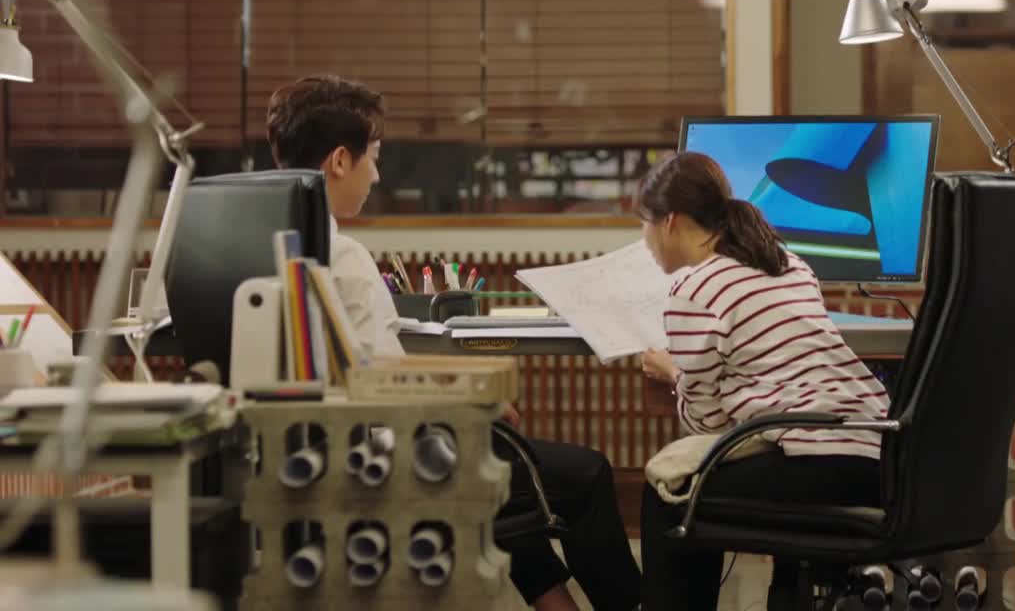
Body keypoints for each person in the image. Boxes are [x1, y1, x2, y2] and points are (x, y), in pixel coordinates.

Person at [266, 75, 642, 611]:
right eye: (374, 157)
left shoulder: (262, 243)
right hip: (382, 457)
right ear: (340, 161)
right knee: (584, 474)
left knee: (497, 462)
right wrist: (475, 399)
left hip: (295, 457)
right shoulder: (341, 256)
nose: (378, 174)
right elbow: (385, 388)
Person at [635, 151, 890, 610]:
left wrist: (672, 370)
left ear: (669, 222)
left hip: (816, 465)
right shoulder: (790, 263)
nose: (644, 238)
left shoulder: (693, 290)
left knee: (670, 495)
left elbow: (707, 425)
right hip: (879, 457)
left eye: (644, 224)